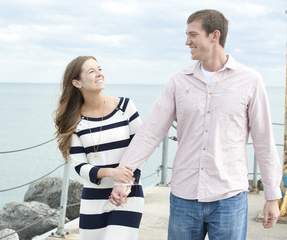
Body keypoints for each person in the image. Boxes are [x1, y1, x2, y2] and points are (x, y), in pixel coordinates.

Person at [110, 9, 282, 240]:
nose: (187, 42)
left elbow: (264, 142)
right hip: (184, 198)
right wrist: (124, 179)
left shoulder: (250, 80)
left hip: (229, 198)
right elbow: (150, 132)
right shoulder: (179, 81)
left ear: (214, 36)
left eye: (193, 35)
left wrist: (272, 197)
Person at [54, 56, 144, 239]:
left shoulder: (125, 107)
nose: (99, 74)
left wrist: (125, 183)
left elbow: (141, 148)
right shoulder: (74, 121)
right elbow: (81, 166)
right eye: (91, 71)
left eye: (99, 69)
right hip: (93, 200)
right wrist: (112, 173)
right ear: (77, 82)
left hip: (127, 195)